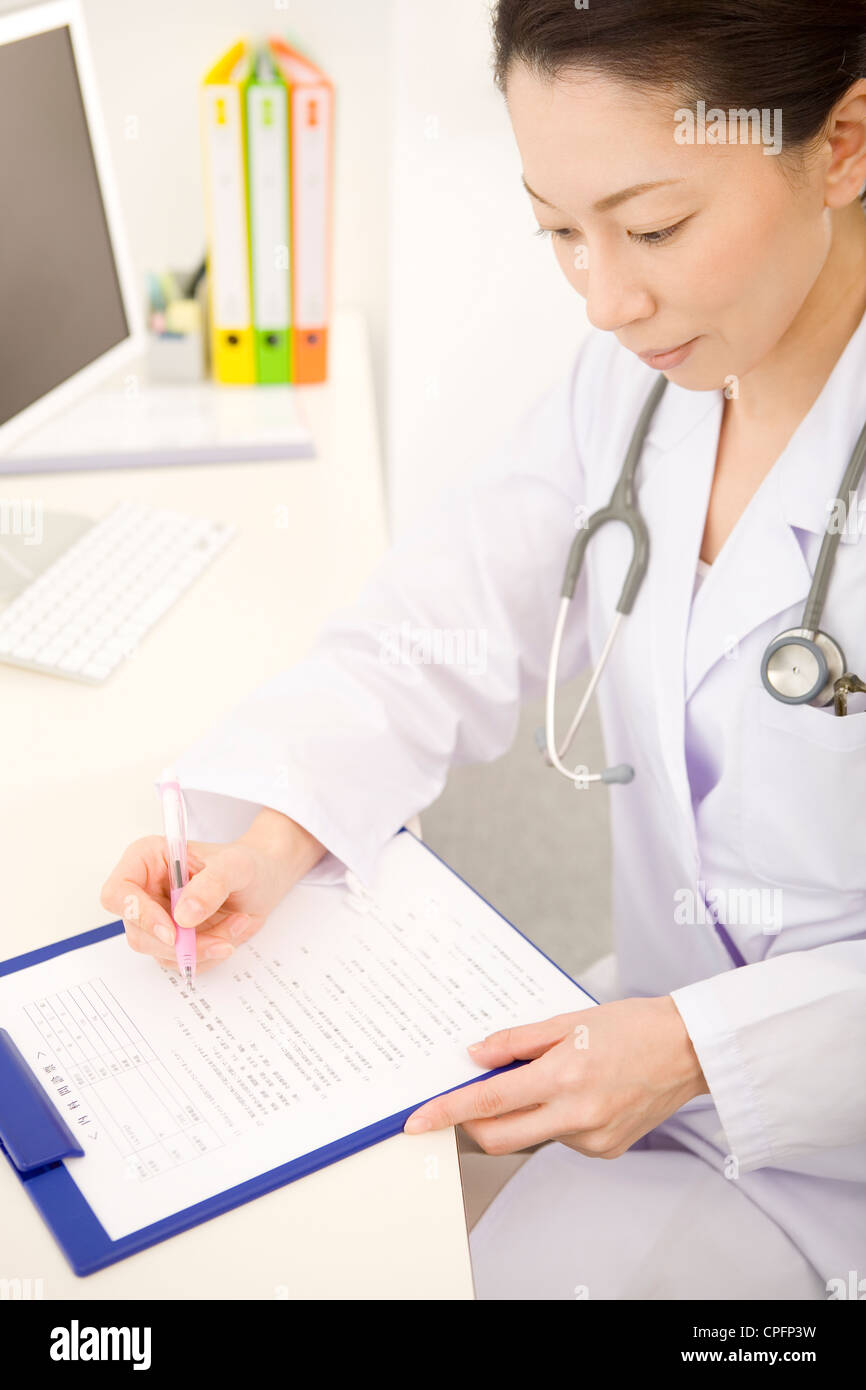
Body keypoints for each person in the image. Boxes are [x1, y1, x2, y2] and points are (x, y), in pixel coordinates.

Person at [101, 0, 866, 1299]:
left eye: (654, 226)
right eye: (559, 232)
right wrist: (269, 829)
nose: (607, 297)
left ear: (842, 142)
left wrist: (700, 1047)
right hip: (653, 1069)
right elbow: (430, 625)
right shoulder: (631, 389)